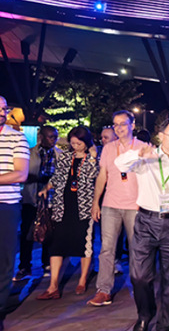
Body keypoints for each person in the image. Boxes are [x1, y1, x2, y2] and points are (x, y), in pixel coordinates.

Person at [116, 118, 169, 331]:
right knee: (139, 275)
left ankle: (167, 325)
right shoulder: (146, 157)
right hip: (146, 221)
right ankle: (145, 314)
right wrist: (138, 154)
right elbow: (120, 165)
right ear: (160, 136)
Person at [89, 110, 148, 306]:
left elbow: (149, 177)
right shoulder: (108, 148)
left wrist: (144, 203)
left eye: (123, 124)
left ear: (133, 125)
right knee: (106, 249)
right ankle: (103, 290)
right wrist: (96, 202)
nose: (119, 128)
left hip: (135, 206)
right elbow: (102, 176)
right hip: (110, 204)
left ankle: (140, 288)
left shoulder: (142, 147)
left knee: (137, 249)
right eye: (115, 124)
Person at [37, 127, 99, 299]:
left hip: (83, 207)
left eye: (79, 143)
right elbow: (57, 177)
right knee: (56, 244)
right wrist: (47, 188)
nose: (75, 146)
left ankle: (82, 280)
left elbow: (92, 176)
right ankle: (53, 286)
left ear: (86, 143)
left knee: (84, 244)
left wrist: (93, 157)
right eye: (73, 143)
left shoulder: (93, 159)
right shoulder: (65, 157)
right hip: (62, 206)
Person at [15, 125, 61, 281]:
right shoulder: (29, 153)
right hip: (31, 198)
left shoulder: (59, 154)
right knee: (27, 232)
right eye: (51, 136)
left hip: (51, 199)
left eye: (55, 136)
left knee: (49, 232)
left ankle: (47, 263)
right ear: (41, 137)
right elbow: (23, 174)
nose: (54, 140)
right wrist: (35, 177)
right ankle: (24, 266)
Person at [0, 96, 30, 331]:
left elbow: (20, 174)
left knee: (4, 260)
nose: (2, 113)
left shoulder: (16, 137)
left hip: (6, 205)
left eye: (4, 109)